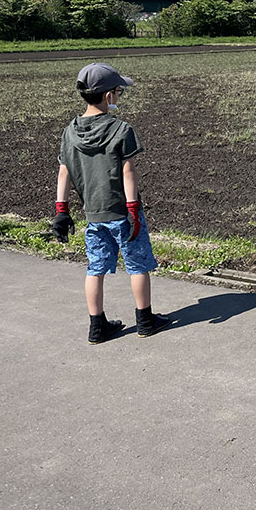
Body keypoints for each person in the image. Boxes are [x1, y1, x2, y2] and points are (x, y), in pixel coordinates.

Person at [51, 63, 171, 345]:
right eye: (118, 91)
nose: (119, 95)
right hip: (122, 211)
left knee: (96, 267)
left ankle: (97, 326)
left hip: (93, 214)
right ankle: (145, 320)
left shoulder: (70, 132)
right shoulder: (121, 129)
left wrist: (61, 211)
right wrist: (132, 211)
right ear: (108, 96)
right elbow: (128, 171)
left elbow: (64, 171)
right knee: (137, 264)